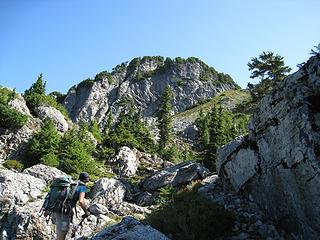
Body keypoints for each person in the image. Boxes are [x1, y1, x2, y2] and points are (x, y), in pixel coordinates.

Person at [54, 172, 91, 240]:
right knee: (62, 234)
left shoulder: (72, 184)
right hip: (64, 211)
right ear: (86, 180)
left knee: (60, 232)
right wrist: (86, 212)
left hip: (56, 208)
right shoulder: (82, 187)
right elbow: (81, 201)